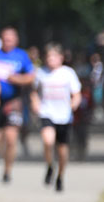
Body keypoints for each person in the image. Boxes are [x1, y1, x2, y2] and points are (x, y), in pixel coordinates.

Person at [0, 26, 35, 183]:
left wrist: (15, 79)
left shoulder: (21, 56)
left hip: (14, 101)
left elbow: (31, 77)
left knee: (11, 138)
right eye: (5, 38)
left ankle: (7, 171)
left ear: (16, 40)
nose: (8, 41)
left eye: (11, 38)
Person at [30, 43, 81, 192]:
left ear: (61, 58)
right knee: (48, 140)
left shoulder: (68, 73)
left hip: (64, 116)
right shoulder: (41, 73)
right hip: (47, 112)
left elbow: (76, 93)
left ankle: (60, 175)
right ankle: (50, 165)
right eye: (48, 56)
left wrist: (74, 103)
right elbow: (34, 91)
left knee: (62, 150)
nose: (51, 59)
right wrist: (35, 102)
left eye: (54, 56)